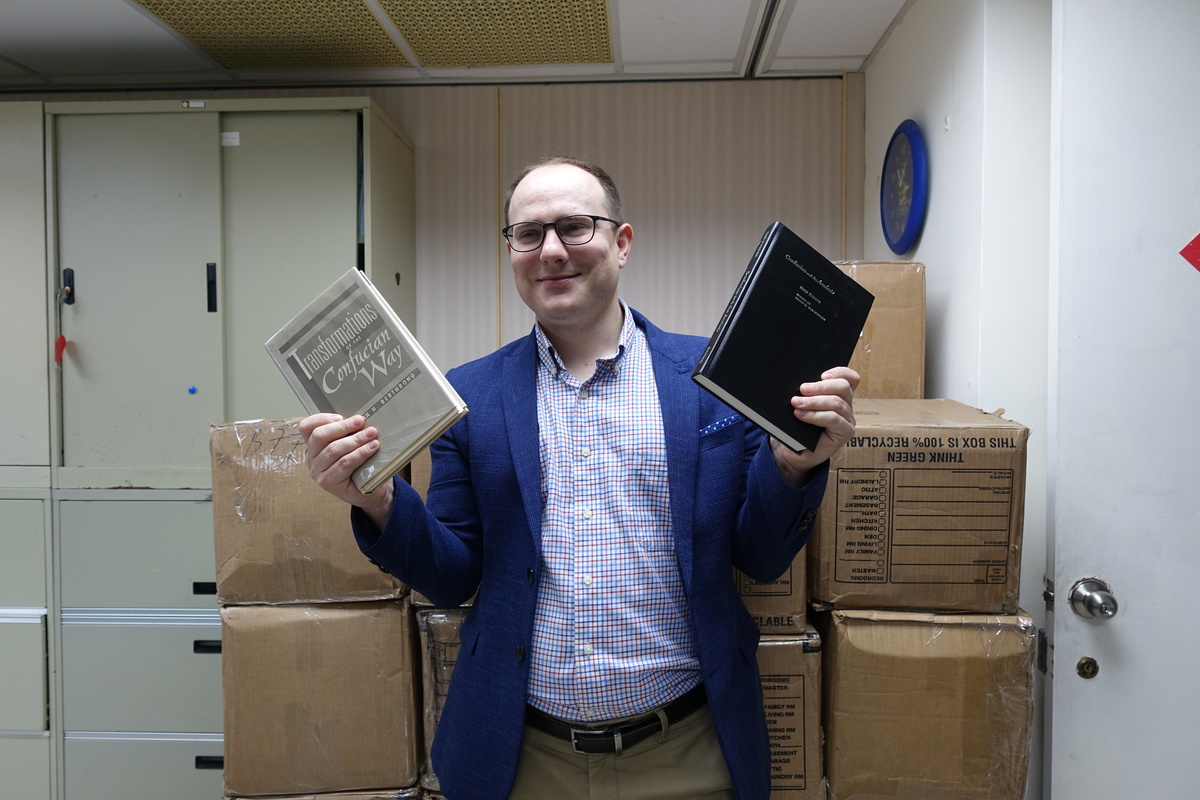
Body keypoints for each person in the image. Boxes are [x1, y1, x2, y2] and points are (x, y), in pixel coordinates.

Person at [300, 156, 859, 800]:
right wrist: (379, 503)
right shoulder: (469, 395)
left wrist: (793, 463)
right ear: (511, 252)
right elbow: (452, 577)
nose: (552, 250)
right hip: (522, 758)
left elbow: (758, 557)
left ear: (622, 243)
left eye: (575, 227)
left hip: (691, 752)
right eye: (528, 234)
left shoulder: (713, 380)